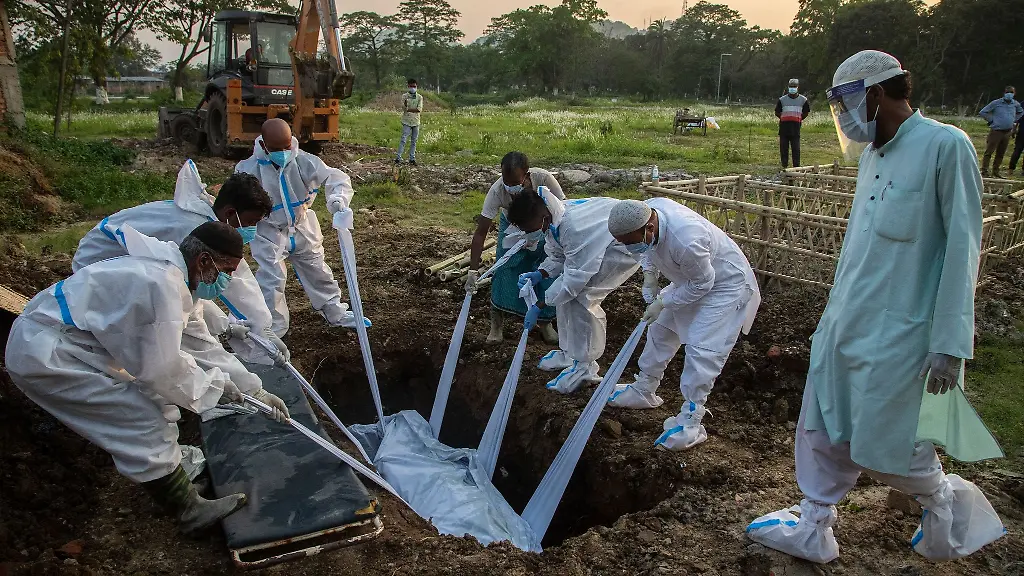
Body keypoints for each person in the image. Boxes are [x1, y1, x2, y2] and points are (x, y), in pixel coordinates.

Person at [747, 50, 1005, 564]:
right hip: (846, 321)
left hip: (900, 333)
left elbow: (963, 248)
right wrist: (830, 320)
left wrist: (950, 343)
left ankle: (946, 508)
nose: (843, 119)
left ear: (875, 95)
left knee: (890, 443)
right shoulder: (872, 157)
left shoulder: (944, 146)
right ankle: (815, 524)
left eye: (844, 105)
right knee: (819, 423)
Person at [5, 222, 291, 534]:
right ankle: (188, 509)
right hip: (50, 356)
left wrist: (254, 390)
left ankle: (174, 472)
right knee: (141, 417)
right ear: (204, 260)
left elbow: (200, 345)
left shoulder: (173, 275)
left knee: (153, 403)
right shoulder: (160, 286)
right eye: (227, 269)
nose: (228, 279)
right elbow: (162, 368)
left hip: (69, 345)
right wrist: (217, 388)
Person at [73, 161, 288, 364]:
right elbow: (236, 284)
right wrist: (262, 327)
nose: (251, 230)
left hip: (119, 258)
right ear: (231, 213)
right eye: (250, 223)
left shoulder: (205, 216)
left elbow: (197, 300)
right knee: (156, 332)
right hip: (101, 263)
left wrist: (228, 327)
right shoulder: (192, 230)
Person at [605, 199, 760, 451]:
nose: (629, 248)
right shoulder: (644, 213)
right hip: (690, 279)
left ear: (649, 227)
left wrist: (663, 301)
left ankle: (692, 419)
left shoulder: (687, 240)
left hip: (725, 285)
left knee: (702, 347)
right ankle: (645, 387)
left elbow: (703, 284)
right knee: (661, 328)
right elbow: (648, 251)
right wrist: (649, 276)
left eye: (630, 242)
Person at [236, 118, 367, 336]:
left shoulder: (304, 161)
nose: (284, 153)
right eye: (278, 149)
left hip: (302, 225)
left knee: (318, 270)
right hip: (269, 230)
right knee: (271, 280)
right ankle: (273, 328)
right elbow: (237, 199)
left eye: (287, 147)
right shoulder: (249, 169)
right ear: (264, 146)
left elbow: (335, 177)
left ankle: (335, 312)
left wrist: (338, 199)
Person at [506, 192, 640, 393]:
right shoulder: (552, 218)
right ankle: (569, 352)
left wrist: (539, 305)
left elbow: (574, 280)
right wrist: (540, 273)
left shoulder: (573, 227)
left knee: (583, 298)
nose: (527, 234)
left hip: (621, 247)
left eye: (527, 228)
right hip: (591, 249)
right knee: (566, 298)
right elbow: (560, 254)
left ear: (539, 217)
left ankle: (586, 365)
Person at [464, 151, 564, 344]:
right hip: (511, 226)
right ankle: (496, 325)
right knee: (505, 268)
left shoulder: (543, 179)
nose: (510, 187)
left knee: (546, 270)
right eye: (506, 182)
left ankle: (545, 323)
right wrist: (472, 271)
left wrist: (548, 233)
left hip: (542, 225)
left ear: (527, 174)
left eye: (515, 182)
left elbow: (563, 209)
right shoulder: (497, 191)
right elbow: (480, 232)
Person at [978, 85, 1023, 177]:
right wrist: (991, 120)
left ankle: (996, 171)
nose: (1009, 95)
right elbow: (983, 112)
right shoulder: (996, 103)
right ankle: (984, 171)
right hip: (996, 130)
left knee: (1001, 153)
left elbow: (1021, 112)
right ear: (1004, 93)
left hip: (1007, 132)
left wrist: (1014, 119)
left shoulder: (1015, 104)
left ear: (1014, 94)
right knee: (989, 152)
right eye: (1007, 92)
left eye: (1011, 93)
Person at [775, 78, 811, 169]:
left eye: (794, 86)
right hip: (784, 128)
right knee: (783, 149)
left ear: (798, 87)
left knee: (796, 149)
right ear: (788, 87)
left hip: (795, 128)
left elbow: (806, 112)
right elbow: (777, 112)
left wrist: (798, 118)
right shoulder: (782, 100)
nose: (792, 88)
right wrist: (785, 118)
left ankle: (796, 167)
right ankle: (784, 166)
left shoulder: (803, 100)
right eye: (791, 86)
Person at [396, 79, 423, 166]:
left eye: (414, 86)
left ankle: (412, 158)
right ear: (408, 86)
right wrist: (408, 108)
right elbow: (403, 108)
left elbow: (419, 109)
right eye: (411, 86)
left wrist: (408, 109)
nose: (412, 88)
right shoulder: (405, 96)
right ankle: (398, 157)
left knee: (414, 141)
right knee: (403, 139)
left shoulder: (419, 97)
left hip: (416, 121)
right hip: (406, 121)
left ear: (416, 86)